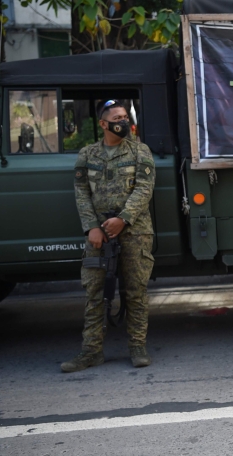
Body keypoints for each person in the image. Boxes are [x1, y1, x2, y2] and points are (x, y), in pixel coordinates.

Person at [61, 100, 156, 372]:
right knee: (94, 292)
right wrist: (92, 226)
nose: (123, 122)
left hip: (135, 231)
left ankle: (137, 347)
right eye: (117, 118)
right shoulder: (87, 154)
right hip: (98, 235)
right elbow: (81, 192)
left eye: (125, 117)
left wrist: (123, 219)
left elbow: (144, 190)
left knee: (135, 291)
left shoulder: (140, 151)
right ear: (104, 124)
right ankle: (91, 352)